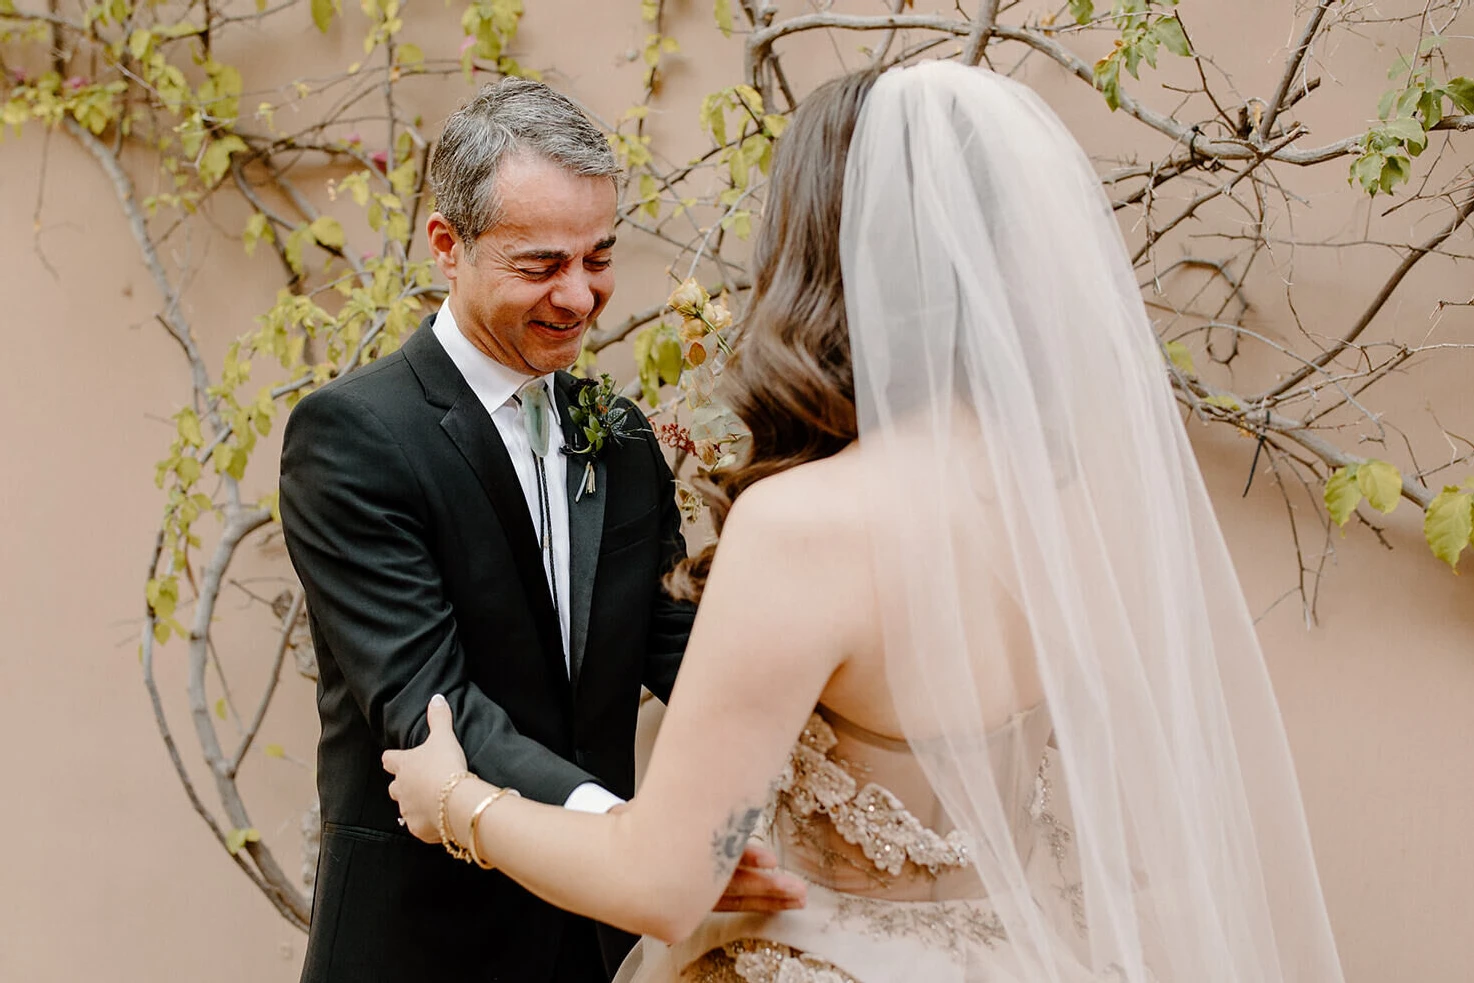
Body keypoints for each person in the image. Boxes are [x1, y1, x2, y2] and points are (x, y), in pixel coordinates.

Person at [384, 62, 1348, 983]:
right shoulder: (1083, 503)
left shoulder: (806, 523)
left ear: (819, 249)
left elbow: (662, 883)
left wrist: (455, 803)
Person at [279, 77, 801, 983]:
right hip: (424, 943)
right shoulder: (354, 436)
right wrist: (628, 839)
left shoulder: (622, 432)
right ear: (448, 244)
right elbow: (426, 702)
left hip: (595, 944)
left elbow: (680, 645)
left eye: (599, 256)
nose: (580, 294)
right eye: (540, 264)